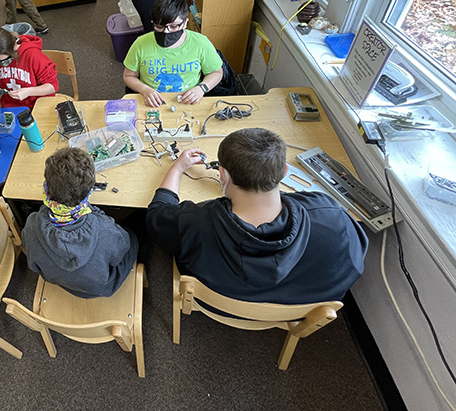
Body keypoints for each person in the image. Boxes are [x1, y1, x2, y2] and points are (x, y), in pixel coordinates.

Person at [146, 128, 369, 304]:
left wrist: (176, 169)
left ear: (222, 175)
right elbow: (353, 261)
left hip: (218, 301)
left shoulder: (195, 221)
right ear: (284, 172)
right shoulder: (330, 214)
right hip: (293, 309)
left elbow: (156, 216)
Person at [21, 147, 138, 298]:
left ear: (47, 190)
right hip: (103, 287)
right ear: (89, 192)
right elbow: (121, 251)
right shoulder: (106, 229)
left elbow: (35, 267)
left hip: (63, 283)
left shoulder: (30, 226)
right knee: (133, 232)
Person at [124, 0, 223, 107]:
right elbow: (129, 76)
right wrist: (145, 90)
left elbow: (216, 72)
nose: (166, 32)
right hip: (151, 101)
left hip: (188, 101)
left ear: (185, 23)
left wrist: (201, 88)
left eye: (173, 26)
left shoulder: (200, 43)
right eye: (159, 27)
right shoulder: (141, 44)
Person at [0, 26, 58, 110]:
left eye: (8, 59)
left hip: (38, 105)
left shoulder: (32, 55)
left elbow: (52, 86)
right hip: (12, 106)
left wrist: (29, 91)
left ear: (15, 46)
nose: (3, 64)